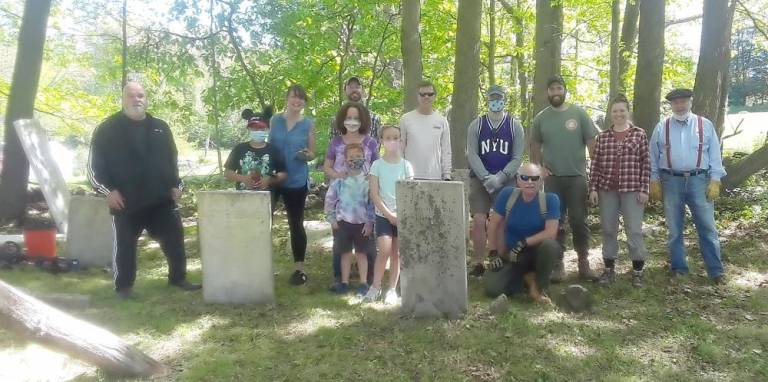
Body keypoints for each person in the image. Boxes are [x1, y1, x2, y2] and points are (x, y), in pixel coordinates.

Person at [87, 82, 201, 299]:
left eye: (140, 95)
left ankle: (178, 278)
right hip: (126, 201)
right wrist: (108, 192)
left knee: (174, 239)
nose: (136, 99)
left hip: (160, 199)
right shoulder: (106, 129)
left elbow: (172, 161)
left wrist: (177, 186)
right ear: (122, 99)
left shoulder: (160, 127)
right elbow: (93, 169)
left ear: (146, 99)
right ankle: (124, 287)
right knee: (125, 246)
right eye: (131, 95)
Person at [648, 88, 726, 284]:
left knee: (707, 227)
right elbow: (652, 157)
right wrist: (654, 180)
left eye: (683, 101)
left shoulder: (705, 125)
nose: (680, 105)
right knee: (674, 228)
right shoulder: (661, 127)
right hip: (671, 181)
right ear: (671, 105)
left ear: (690, 102)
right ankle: (679, 268)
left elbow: (715, 155)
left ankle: (716, 272)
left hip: (699, 181)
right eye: (676, 103)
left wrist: (715, 179)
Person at [530, 75, 599, 282]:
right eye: (552, 90)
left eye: (559, 88)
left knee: (579, 220)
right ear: (548, 93)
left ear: (565, 90)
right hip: (553, 180)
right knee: (555, 222)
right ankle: (557, 264)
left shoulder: (578, 113)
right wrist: (539, 169)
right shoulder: (541, 118)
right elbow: (534, 146)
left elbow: (591, 142)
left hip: (577, 177)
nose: (556, 92)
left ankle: (583, 263)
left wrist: (594, 171)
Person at [588, 95, 650, 288]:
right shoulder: (604, 137)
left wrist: (644, 189)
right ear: (610, 114)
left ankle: (637, 270)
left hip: (632, 189)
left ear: (628, 112)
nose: (618, 114)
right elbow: (596, 165)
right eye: (615, 111)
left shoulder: (639, 134)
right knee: (608, 229)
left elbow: (646, 164)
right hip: (607, 190)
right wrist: (593, 189)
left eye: (622, 110)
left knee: (634, 229)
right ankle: (608, 269)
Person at [466, 85, 525, 277]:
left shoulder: (514, 125)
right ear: (487, 100)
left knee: (503, 219)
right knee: (479, 219)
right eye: (492, 98)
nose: (496, 101)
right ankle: (478, 261)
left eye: (499, 98)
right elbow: (472, 154)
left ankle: (501, 257)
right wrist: (485, 177)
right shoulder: (477, 125)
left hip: (505, 179)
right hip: (480, 178)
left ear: (504, 99)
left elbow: (517, 157)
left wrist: (501, 176)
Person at [483, 163, 561, 303]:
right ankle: (528, 280)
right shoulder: (507, 195)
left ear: (540, 181)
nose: (529, 182)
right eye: (525, 178)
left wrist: (524, 242)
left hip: (536, 252)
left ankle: (540, 286)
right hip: (512, 254)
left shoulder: (551, 199)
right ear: (518, 180)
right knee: (492, 289)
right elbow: (493, 224)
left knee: (550, 246)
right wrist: (494, 253)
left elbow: (551, 233)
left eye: (534, 178)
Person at [324, 102, 379, 288]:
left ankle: (367, 281)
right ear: (342, 120)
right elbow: (327, 166)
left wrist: (372, 186)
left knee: (366, 246)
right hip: (341, 201)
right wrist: (338, 176)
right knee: (340, 244)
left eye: (356, 118)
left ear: (362, 120)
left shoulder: (371, 142)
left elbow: (377, 168)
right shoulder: (336, 142)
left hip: (365, 199)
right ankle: (340, 279)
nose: (352, 121)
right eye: (348, 117)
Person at [269, 84, 317, 285]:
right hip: (272, 179)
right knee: (264, 223)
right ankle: (261, 266)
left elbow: (313, 153)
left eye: (301, 98)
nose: (297, 101)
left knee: (295, 224)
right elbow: (267, 145)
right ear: (287, 98)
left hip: (296, 180)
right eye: (293, 97)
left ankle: (299, 269)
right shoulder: (274, 120)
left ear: (304, 102)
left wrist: (307, 155)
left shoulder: (308, 124)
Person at [364, 125, 415, 303]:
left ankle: (392, 290)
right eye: (388, 138)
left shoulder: (406, 166)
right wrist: (388, 214)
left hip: (402, 216)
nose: (392, 141)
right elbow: (374, 194)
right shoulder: (377, 165)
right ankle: (375, 286)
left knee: (397, 253)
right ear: (381, 141)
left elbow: (410, 193)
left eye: (396, 138)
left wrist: (400, 214)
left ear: (401, 140)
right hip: (382, 214)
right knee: (384, 250)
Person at [224, 106, 287, 192]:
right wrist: (243, 178)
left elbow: (283, 173)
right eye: (254, 128)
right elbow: (228, 173)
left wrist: (269, 180)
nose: (258, 131)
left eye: (261, 128)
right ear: (249, 129)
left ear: (267, 129)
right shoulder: (239, 149)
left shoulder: (274, 150)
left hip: (267, 198)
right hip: (243, 197)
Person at [400, 80, 452, 180]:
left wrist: (447, 174)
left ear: (434, 96)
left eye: (430, 94)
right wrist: (400, 170)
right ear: (417, 96)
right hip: (410, 176)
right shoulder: (406, 119)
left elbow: (446, 150)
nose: (426, 97)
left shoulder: (442, 121)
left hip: (435, 176)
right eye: (422, 94)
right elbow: (401, 147)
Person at [329, 76, 382, 141]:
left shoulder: (374, 119)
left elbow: (377, 146)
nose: (354, 90)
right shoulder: (336, 119)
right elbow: (333, 146)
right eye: (350, 87)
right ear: (345, 91)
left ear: (362, 91)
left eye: (357, 87)